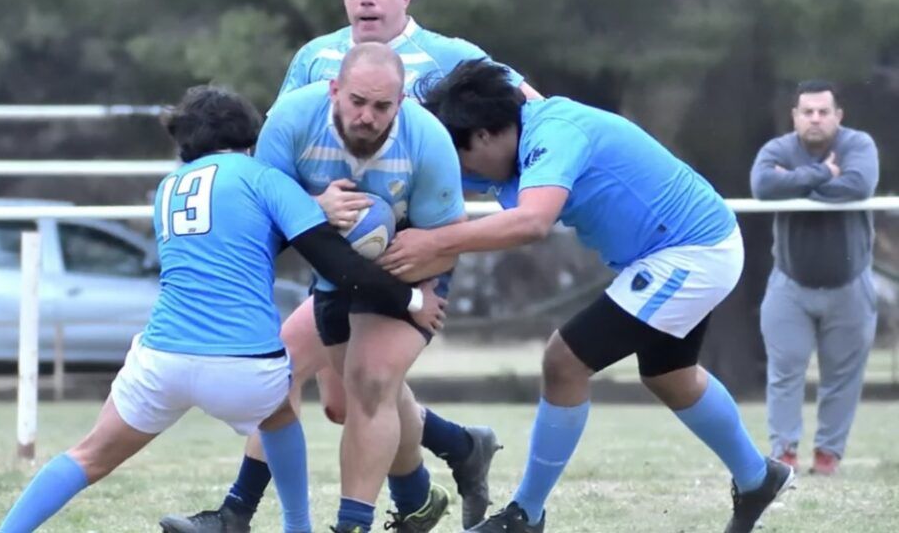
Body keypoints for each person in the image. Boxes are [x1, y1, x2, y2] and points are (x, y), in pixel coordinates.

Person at [161, 0, 540, 531]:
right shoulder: (316, 61)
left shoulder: (450, 57)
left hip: (418, 246)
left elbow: (533, 116)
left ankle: (244, 514)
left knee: (356, 378)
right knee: (342, 398)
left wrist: (532, 191)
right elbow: (274, 176)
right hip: (336, 251)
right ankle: (448, 460)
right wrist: (313, 206)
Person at [0, 85, 445, 533]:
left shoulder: (168, 189)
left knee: (88, 456)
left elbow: (238, 237)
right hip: (242, 366)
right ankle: (298, 527)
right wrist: (411, 299)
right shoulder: (264, 178)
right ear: (250, 134)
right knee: (279, 416)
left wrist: (308, 208)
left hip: (162, 359)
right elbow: (337, 265)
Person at [378, 59, 795, 533]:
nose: (465, 172)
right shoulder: (499, 145)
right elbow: (430, 180)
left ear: (486, 135)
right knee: (671, 377)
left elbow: (533, 222)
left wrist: (432, 244)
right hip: (676, 254)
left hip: (692, 252)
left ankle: (525, 515)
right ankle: (758, 478)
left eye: (465, 157)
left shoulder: (554, 134)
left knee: (565, 362)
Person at [267, 42, 463, 533]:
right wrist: (312, 208)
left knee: (372, 379)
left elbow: (447, 242)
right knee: (345, 402)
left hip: (409, 266)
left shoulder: (427, 139)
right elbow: (262, 215)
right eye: (356, 101)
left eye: (381, 107)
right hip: (331, 269)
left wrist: (412, 290)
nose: (367, 117)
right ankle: (422, 492)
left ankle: (351, 523)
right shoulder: (291, 122)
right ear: (334, 89)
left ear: (401, 104)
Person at [750, 79, 879, 476]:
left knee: (842, 377)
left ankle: (827, 456)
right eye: (808, 112)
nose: (816, 118)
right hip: (790, 284)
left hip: (850, 284)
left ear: (838, 115)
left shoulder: (858, 145)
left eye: (824, 111)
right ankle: (784, 453)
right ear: (795, 116)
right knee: (785, 372)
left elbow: (859, 184)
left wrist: (796, 184)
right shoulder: (777, 149)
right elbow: (762, 185)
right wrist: (824, 173)